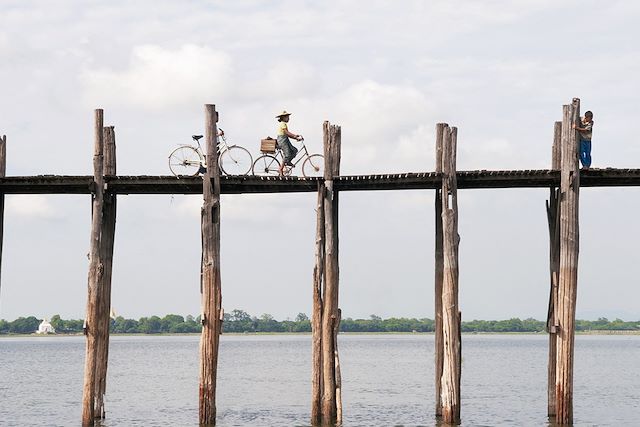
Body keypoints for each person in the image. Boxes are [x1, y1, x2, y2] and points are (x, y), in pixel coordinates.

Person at [275, 110, 303, 176]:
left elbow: (288, 135)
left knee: (294, 150)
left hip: (285, 139)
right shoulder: (282, 124)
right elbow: (287, 133)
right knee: (287, 154)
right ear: (283, 118)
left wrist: (296, 138)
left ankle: (288, 162)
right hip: (282, 140)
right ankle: (280, 169)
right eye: (287, 117)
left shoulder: (284, 124)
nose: (288, 118)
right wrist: (295, 135)